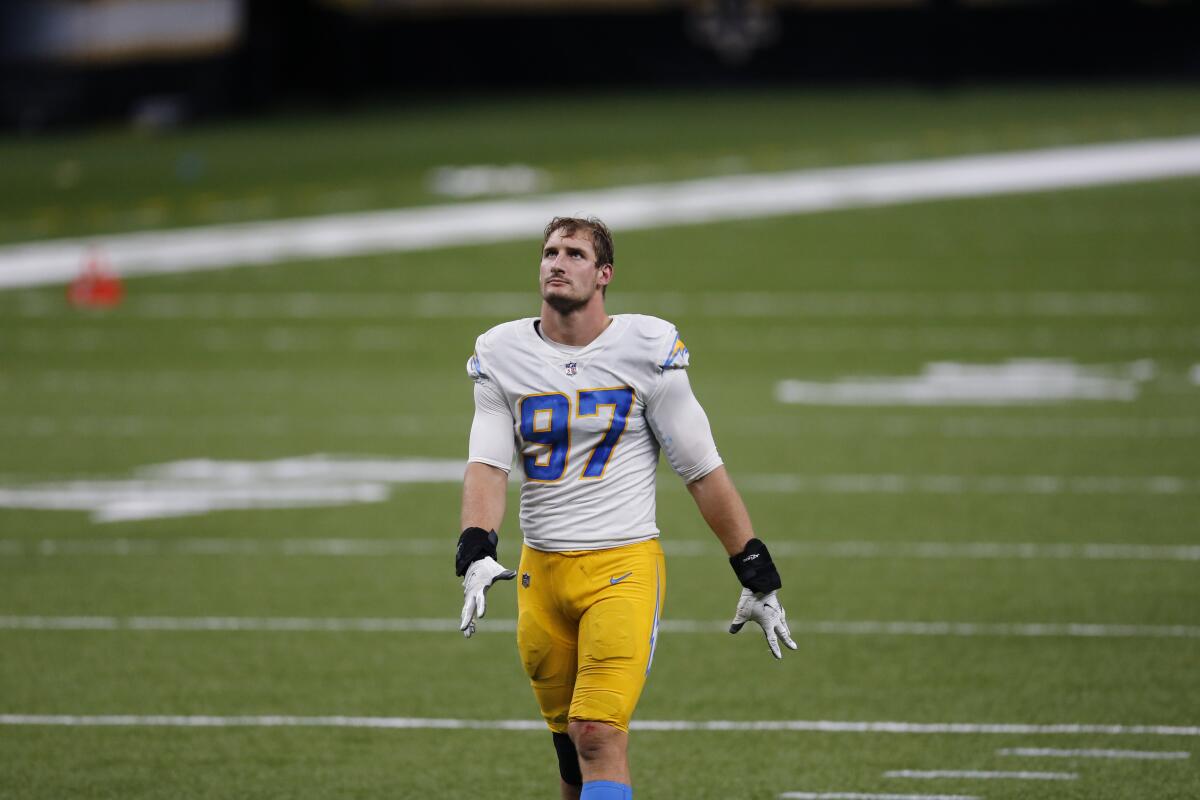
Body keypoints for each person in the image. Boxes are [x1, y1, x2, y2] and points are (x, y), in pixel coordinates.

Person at [456, 216, 796, 800]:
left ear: (604, 274)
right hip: (541, 573)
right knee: (569, 745)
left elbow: (700, 468)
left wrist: (753, 565)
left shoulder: (646, 347)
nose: (556, 263)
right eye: (549, 252)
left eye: (574, 254)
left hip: (622, 565)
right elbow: (488, 462)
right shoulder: (501, 352)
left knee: (596, 734)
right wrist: (476, 547)